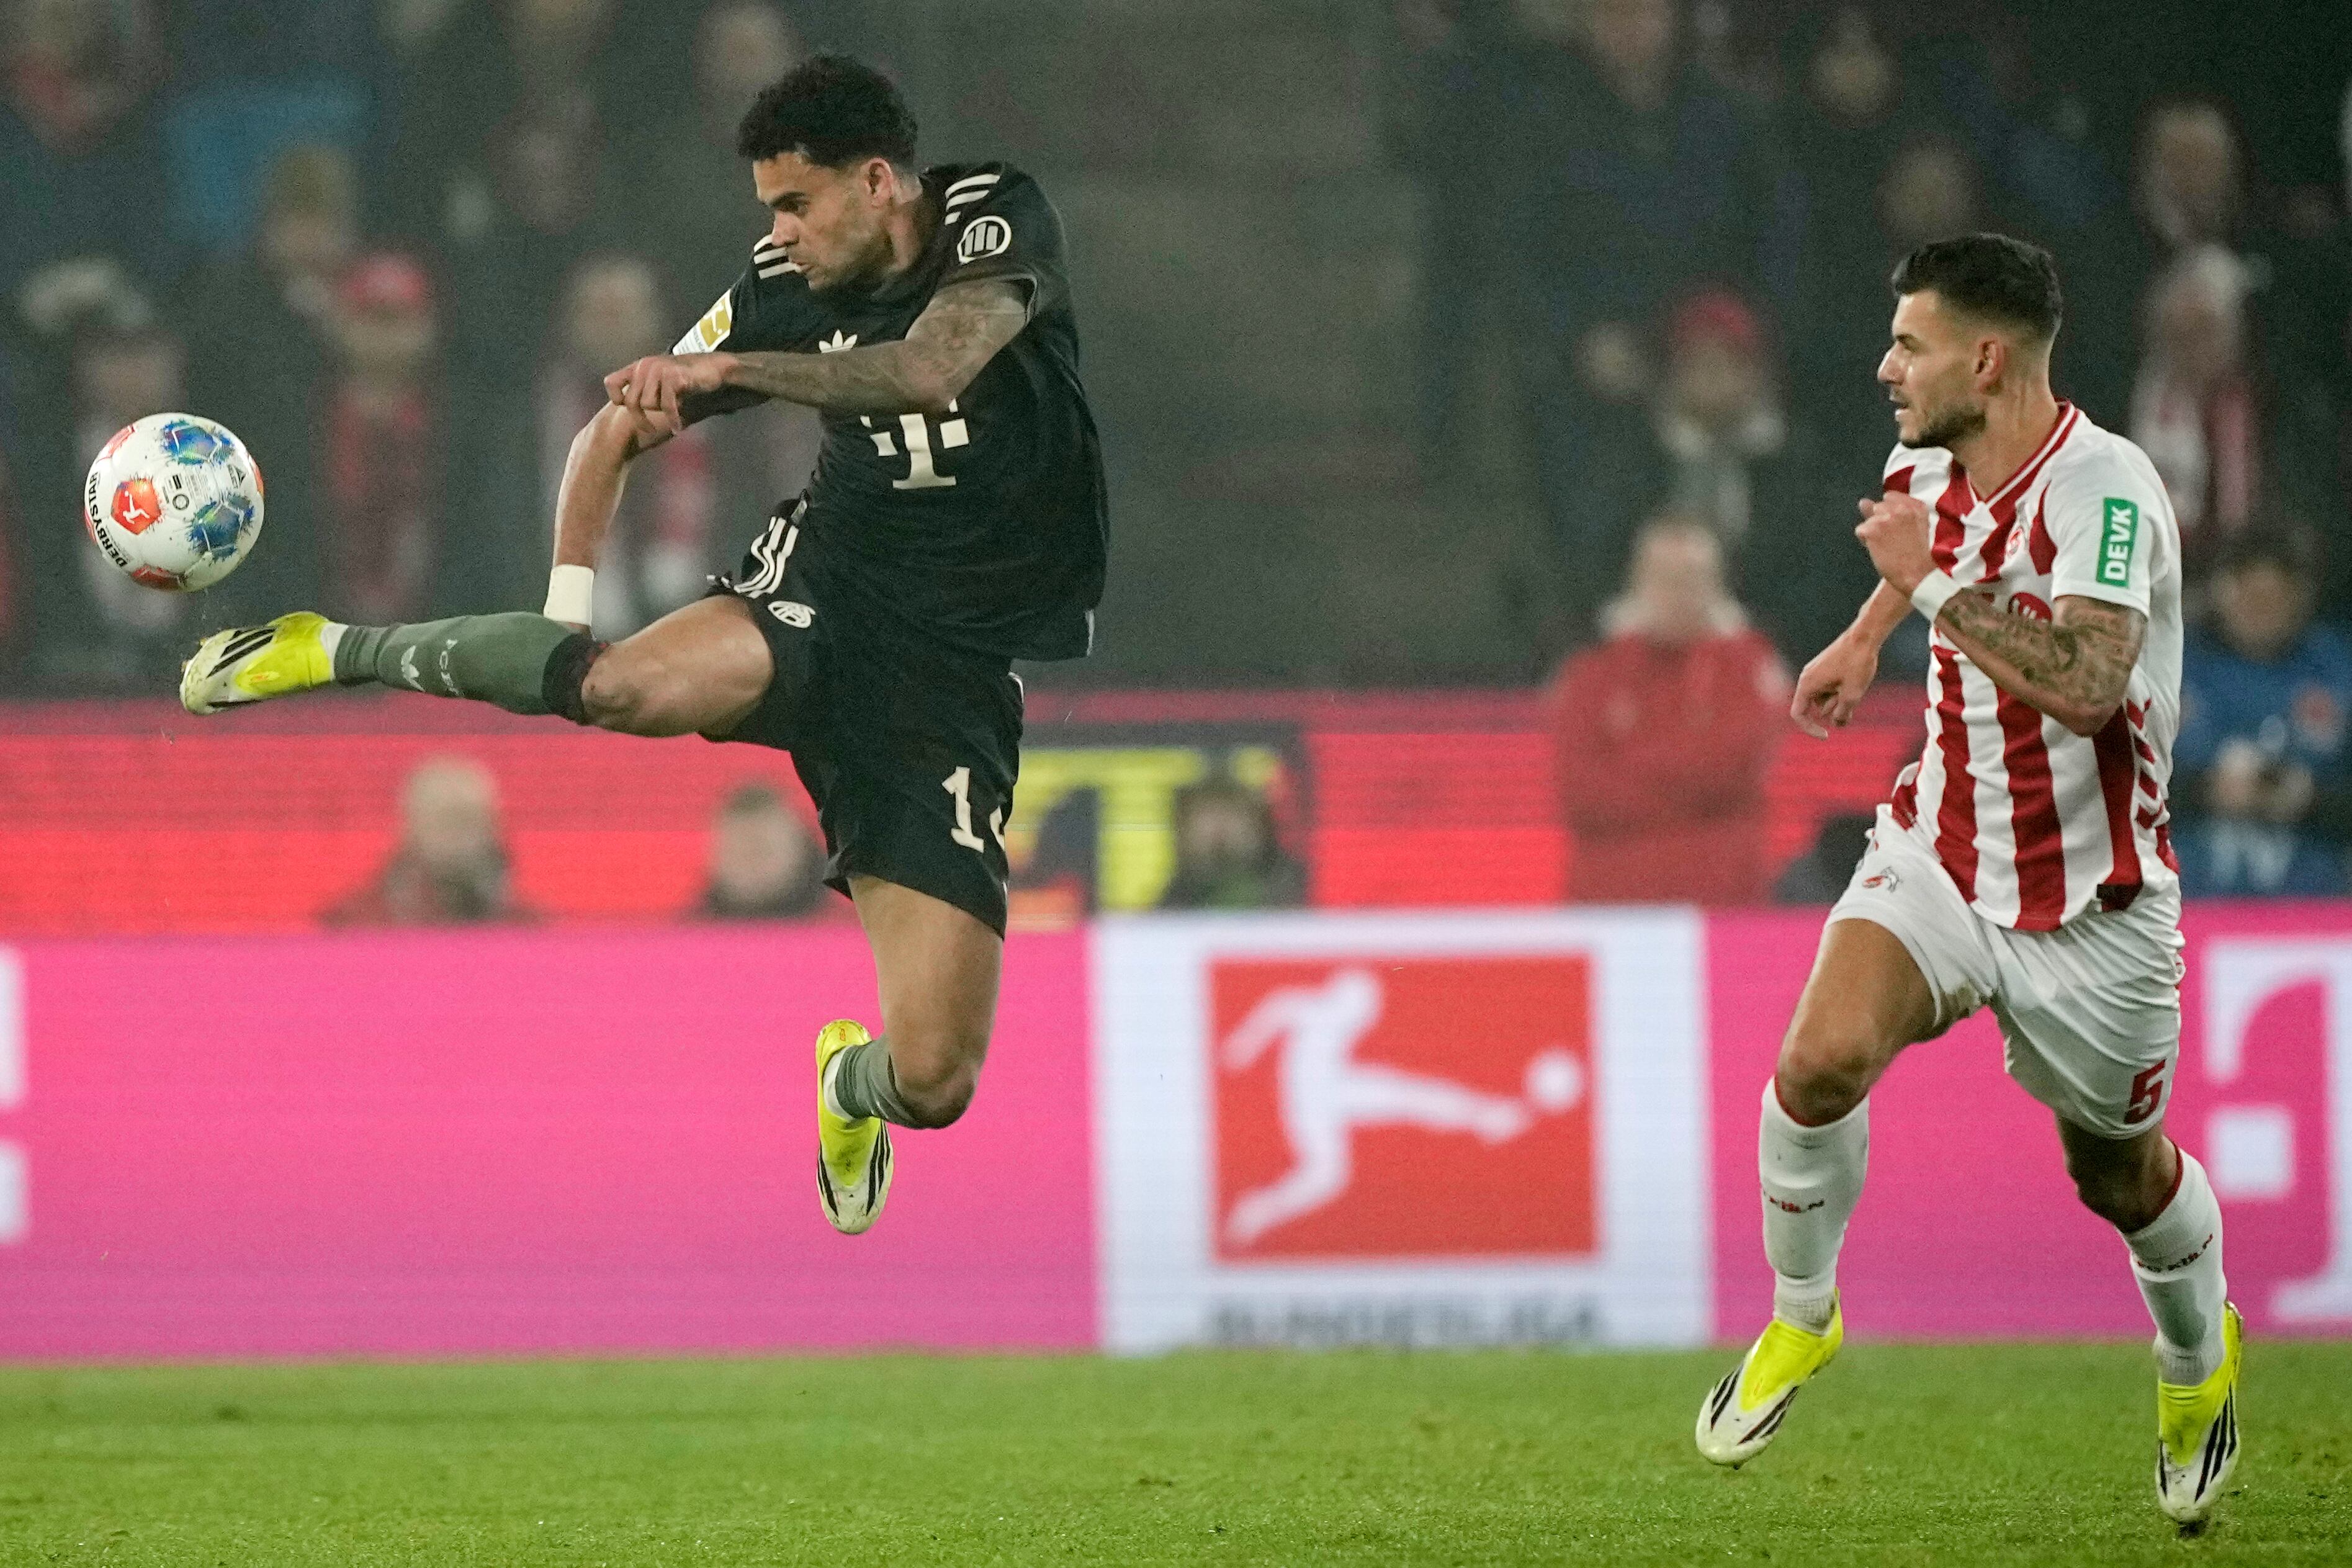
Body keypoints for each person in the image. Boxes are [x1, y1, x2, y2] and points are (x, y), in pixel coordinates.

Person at [180, 56, 1109, 1240]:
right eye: (767, 206)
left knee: (935, 1079)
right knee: (619, 685)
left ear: (878, 182)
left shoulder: (994, 218)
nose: (778, 233)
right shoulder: (781, 282)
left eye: (796, 203)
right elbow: (615, 426)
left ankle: (845, 1089)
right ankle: (335, 645)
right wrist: (564, 619)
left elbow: (929, 366)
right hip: (825, 595)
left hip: (951, 678)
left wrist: (734, 371)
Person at [1694, 235, 2242, 1530]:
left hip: (2092, 906)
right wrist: (1861, 632)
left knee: (2115, 1176)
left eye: (1910, 345)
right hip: (1939, 848)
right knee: (1815, 1062)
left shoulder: (2103, 494)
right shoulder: (1924, 455)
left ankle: (2190, 1361)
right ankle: (1800, 1319)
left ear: (1983, 360)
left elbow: (2086, 681)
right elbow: (1914, 547)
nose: (1885, 367)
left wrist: (1922, 584)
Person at [1545, 513, 1785, 905]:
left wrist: (1634, 765)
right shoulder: (1591, 675)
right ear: (1637, 582)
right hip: (1614, 914)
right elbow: (1582, 795)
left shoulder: (1748, 669)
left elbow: (1732, 774)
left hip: (1722, 915)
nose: (1678, 594)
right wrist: (1689, 774)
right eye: (1666, 578)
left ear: (1716, 586)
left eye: (1691, 580)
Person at [2173, 527, 2352, 897]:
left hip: (2321, 907)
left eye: (2275, 598)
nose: (2261, 611)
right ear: (2220, 592)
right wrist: (2204, 791)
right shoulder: (2172, 666)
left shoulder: (2339, 669)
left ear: (2302, 598)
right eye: (2249, 595)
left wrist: (2310, 800)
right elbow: (2111, 789)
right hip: (2187, 907)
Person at [325, 755, 533, 926]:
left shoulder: (527, 931)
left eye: (467, 818)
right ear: (411, 827)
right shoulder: (356, 926)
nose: (459, 832)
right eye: (446, 818)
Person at [1155, 776, 1305, 912]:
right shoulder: (1179, 898)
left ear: (1257, 823)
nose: (1220, 827)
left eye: (1232, 813)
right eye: (1209, 813)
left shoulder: (1288, 883)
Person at [694, 781, 832, 920]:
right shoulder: (689, 934)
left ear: (801, 850)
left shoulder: (841, 924)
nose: (751, 864)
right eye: (738, 853)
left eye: (763, 850)